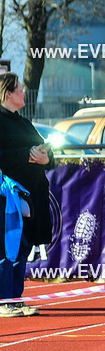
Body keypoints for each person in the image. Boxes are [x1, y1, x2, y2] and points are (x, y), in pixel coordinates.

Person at [0, 72, 52, 317]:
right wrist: (27, 153)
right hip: (7, 196)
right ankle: (4, 300)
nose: (24, 92)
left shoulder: (24, 122)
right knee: (6, 246)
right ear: (8, 93)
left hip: (31, 196)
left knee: (22, 246)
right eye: (19, 88)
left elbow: (46, 149)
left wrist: (46, 157)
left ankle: (15, 298)